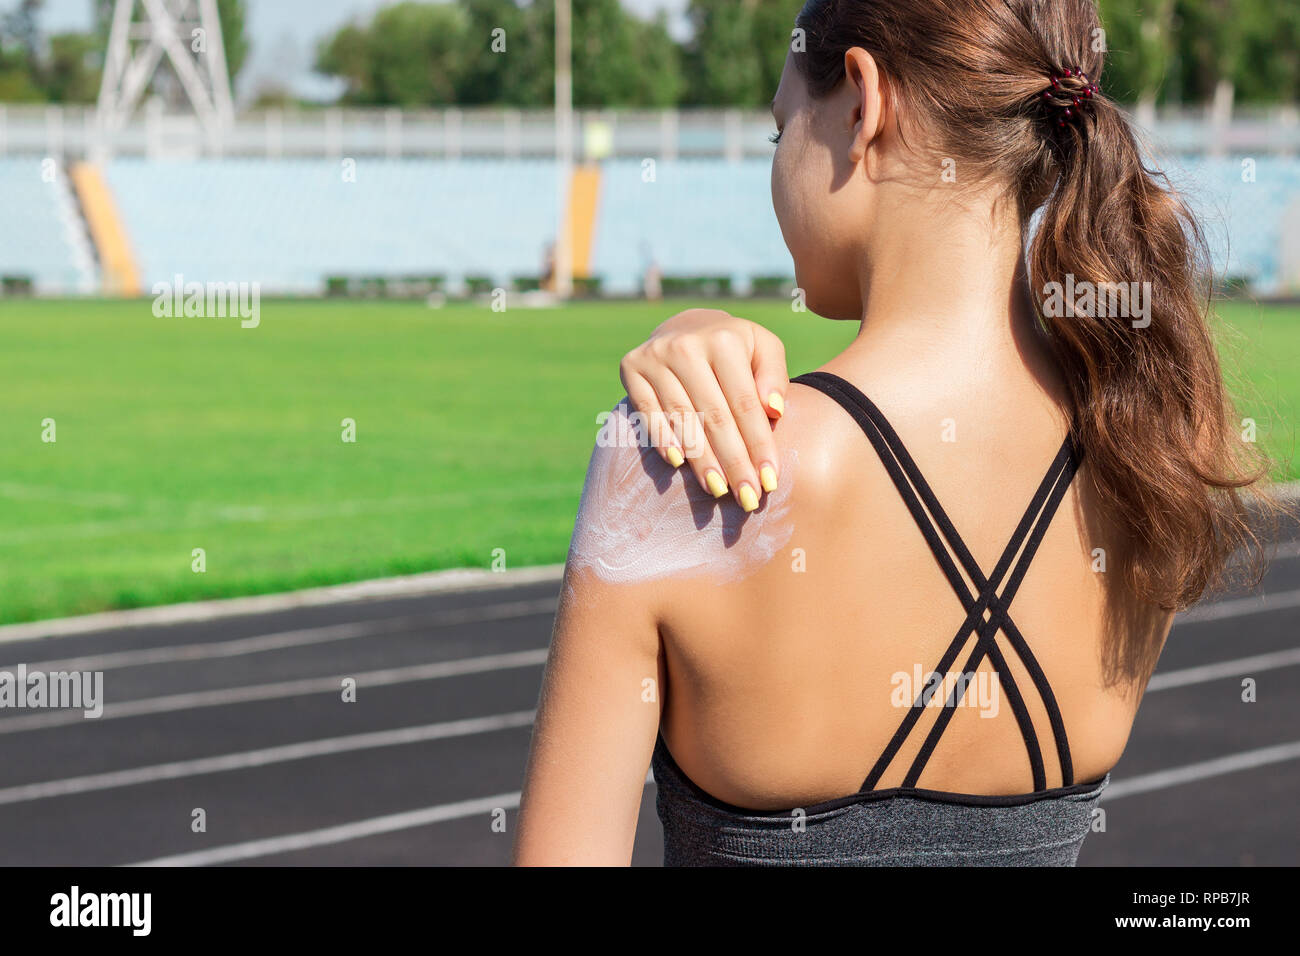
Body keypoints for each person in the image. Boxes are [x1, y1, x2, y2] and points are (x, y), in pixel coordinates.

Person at [513, 0, 1277, 866]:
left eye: (779, 131)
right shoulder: (1151, 447)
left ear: (862, 102)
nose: (777, 167)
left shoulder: (677, 463)